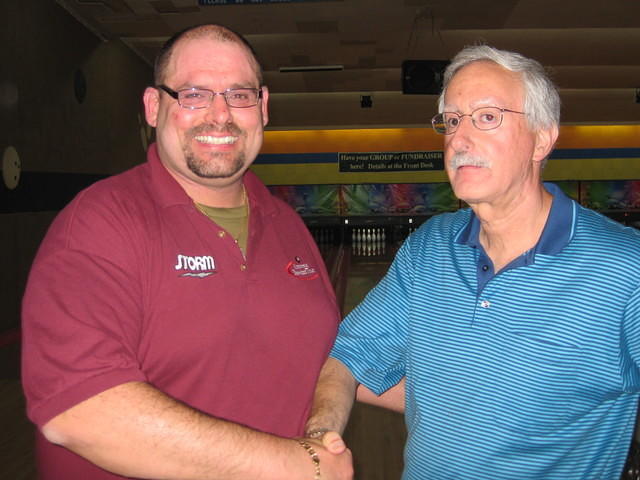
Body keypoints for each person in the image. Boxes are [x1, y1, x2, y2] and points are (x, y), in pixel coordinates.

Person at [21, 24, 353, 480]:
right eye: (194, 94)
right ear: (154, 107)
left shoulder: (286, 225)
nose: (220, 115)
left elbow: (336, 359)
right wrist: (294, 464)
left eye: (240, 95)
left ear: (264, 107)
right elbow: (80, 411)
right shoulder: (100, 223)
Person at [305, 44, 640, 480]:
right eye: (452, 121)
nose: (460, 139)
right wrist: (316, 440)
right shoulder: (428, 249)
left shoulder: (624, 269)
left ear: (542, 138)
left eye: (487, 117)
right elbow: (349, 355)